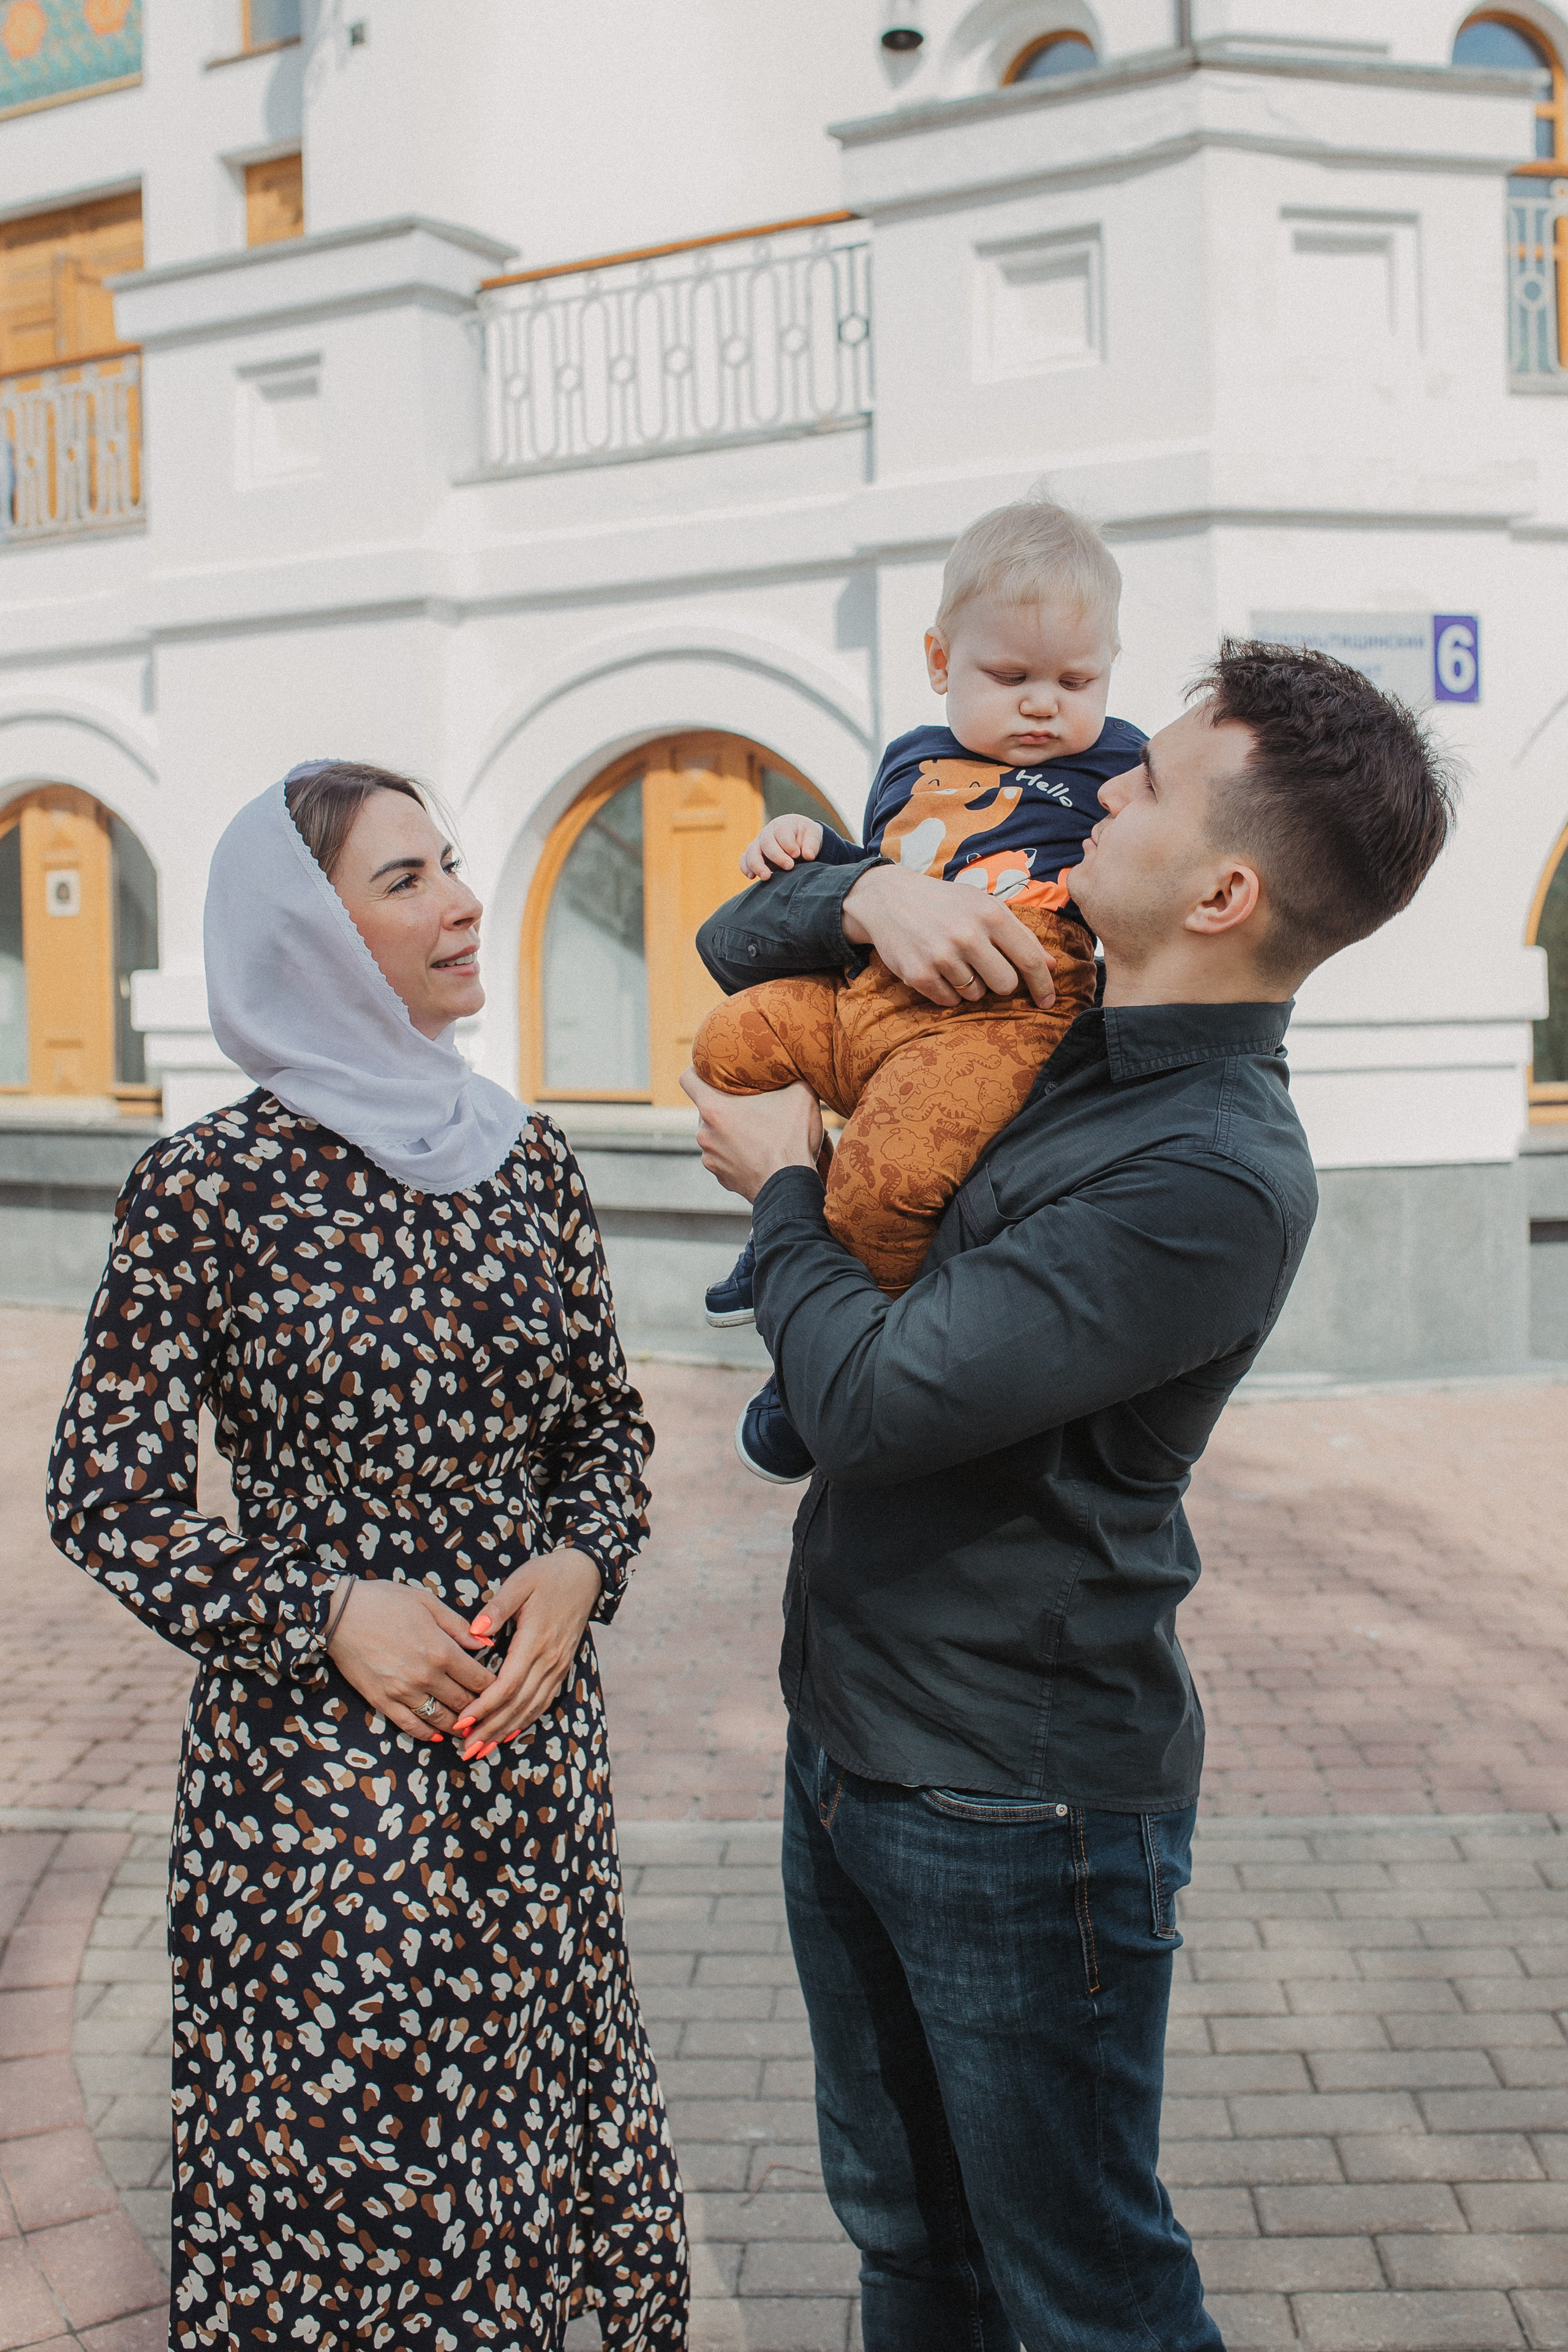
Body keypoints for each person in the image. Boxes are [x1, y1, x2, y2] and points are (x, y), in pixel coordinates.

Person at [682, 644, 1456, 2351]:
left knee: (1083, 2286)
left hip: (1020, 1811)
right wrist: (874, 881)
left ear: (1226, 885)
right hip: (851, 1738)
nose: (1102, 780)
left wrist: (788, 1199)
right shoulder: (1058, 1006)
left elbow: (877, 1404)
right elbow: (736, 944)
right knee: (906, 2239)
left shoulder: (1209, 1174)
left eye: (1153, 782)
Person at [47, 761, 688, 2352]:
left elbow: (605, 1437)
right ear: (307, 935)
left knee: (526, 2204)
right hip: (316, 1818)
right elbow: (103, 1494)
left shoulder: (525, 1164)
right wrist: (325, 1612)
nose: (465, 903)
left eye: (453, 865)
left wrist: (581, 1569)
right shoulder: (204, 1189)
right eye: (403, 881)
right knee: (340, 2237)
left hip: (526, 1782)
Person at [692, 497, 1144, 1483]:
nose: (1043, 704)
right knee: (730, 1039)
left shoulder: (1119, 766)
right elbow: (895, 864)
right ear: (941, 662)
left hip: (997, 1020)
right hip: (870, 995)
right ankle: (781, 1234)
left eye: (1077, 680)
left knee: (890, 1176)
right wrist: (826, 860)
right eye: (1010, 675)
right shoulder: (910, 760)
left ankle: (804, 1375)